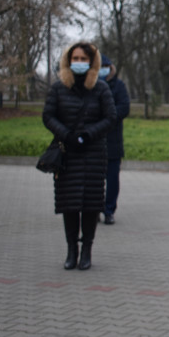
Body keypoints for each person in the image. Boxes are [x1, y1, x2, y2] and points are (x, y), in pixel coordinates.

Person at [42, 41, 117, 271]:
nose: (79, 63)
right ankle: (71, 249)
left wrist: (88, 134)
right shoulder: (58, 88)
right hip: (68, 154)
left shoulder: (101, 88)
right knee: (70, 204)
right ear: (68, 61)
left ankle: (87, 251)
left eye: (84, 59)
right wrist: (67, 135)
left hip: (93, 153)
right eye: (75, 59)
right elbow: (48, 116)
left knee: (91, 204)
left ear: (92, 62)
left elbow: (110, 117)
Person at [98, 55, 130, 225]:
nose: (103, 69)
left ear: (111, 67)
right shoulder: (91, 85)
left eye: (106, 66)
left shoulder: (118, 86)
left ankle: (109, 210)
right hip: (94, 140)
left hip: (113, 140)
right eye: (100, 65)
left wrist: (107, 117)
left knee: (112, 179)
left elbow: (124, 107)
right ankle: (93, 209)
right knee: (94, 180)